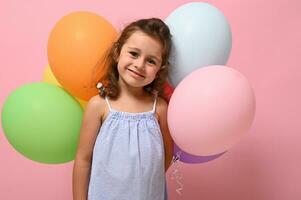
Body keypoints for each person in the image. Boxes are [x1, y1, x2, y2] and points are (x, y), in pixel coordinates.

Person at [72, 18, 174, 200]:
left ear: (159, 69)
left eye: (151, 61)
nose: (139, 65)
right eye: (134, 54)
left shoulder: (159, 108)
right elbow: (83, 160)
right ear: (117, 52)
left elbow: (166, 156)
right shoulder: (99, 106)